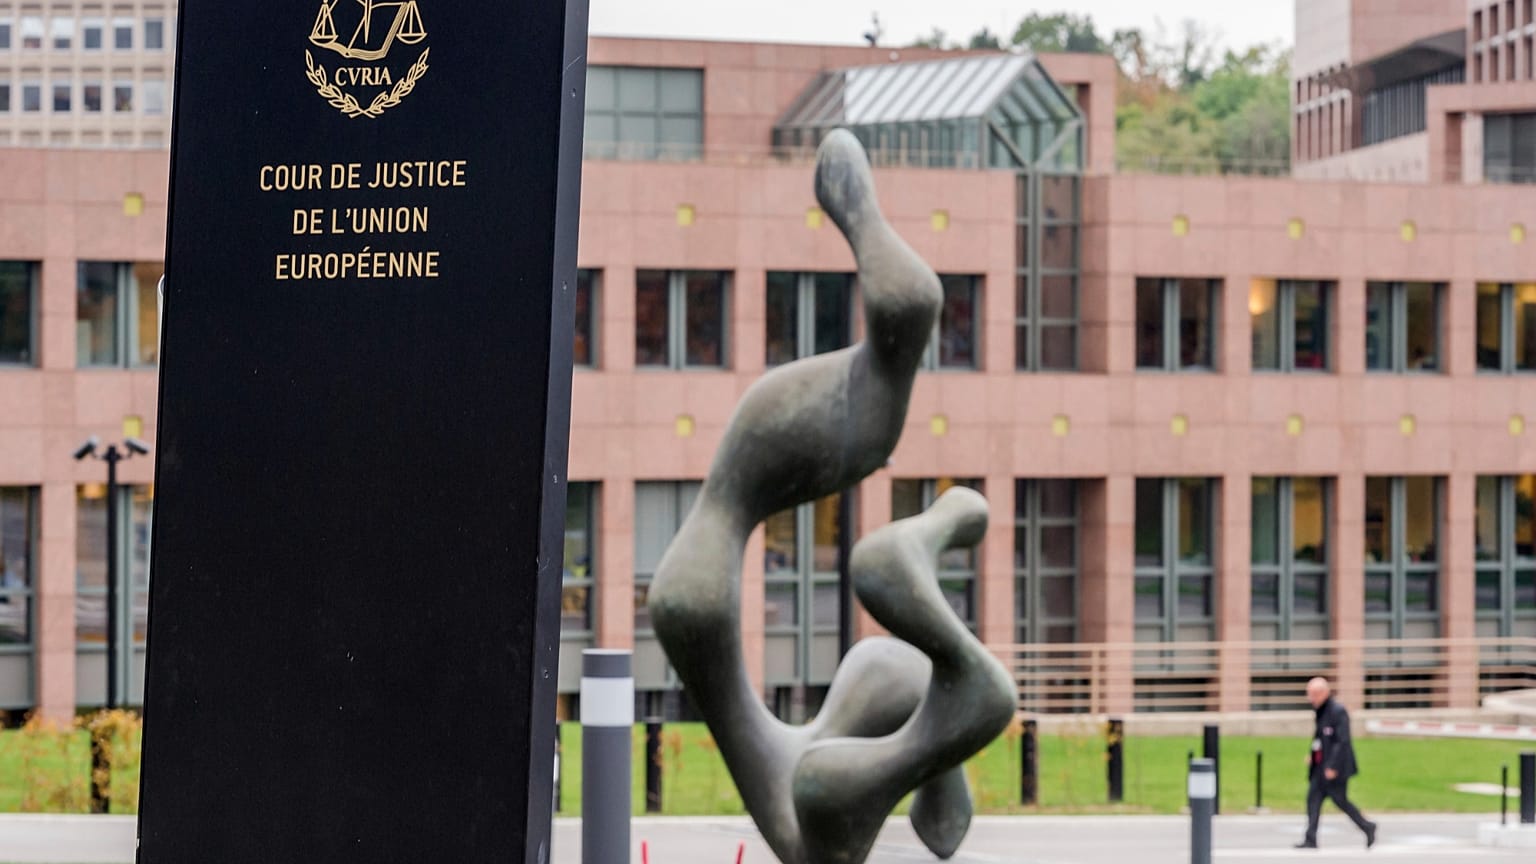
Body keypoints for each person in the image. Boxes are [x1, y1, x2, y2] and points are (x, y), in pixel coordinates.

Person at [1297, 677, 1377, 850]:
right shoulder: (1320, 711)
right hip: (1320, 767)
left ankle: (1367, 826)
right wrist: (1313, 755)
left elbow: (1342, 741)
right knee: (1313, 799)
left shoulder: (1337, 711)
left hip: (1335, 768)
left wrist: (1333, 766)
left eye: (1314, 694)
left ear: (1324, 693)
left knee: (1340, 800)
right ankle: (1310, 838)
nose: (1311, 699)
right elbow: (1320, 739)